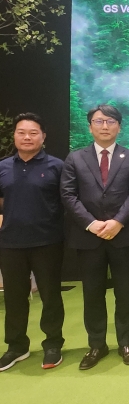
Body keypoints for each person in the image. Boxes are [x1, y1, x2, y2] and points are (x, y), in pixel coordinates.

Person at [60, 105, 129, 369]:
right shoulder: (75, 158)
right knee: (92, 293)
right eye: (99, 121)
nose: (105, 126)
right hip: (89, 237)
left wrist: (117, 222)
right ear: (90, 127)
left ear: (119, 126)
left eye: (110, 121)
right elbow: (68, 195)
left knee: (126, 291)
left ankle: (126, 342)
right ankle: (97, 345)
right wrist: (92, 223)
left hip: (123, 235)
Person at [0, 113, 65, 372]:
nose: (27, 137)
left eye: (33, 132)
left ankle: (53, 343)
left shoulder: (56, 166)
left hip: (47, 241)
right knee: (15, 297)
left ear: (43, 136)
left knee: (50, 295)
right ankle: (17, 346)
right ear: (14, 135)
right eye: (21, 132)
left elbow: (67, 201)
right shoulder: (3, 167)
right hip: (10, 243)